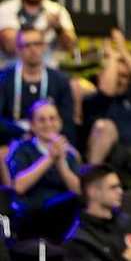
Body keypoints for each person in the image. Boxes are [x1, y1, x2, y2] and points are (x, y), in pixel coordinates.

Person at [82, 29, 131, 188]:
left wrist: (123, 51)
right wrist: (112, 58)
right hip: (110, 151)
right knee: (105, 127)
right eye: (116, 75)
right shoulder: (94, 99)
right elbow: (106, 91)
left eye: (124, 76)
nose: (120, 81)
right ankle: (89, 183)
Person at [0, 27, 78, 186]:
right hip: (13, 139)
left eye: (37, 44)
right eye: (27, 45)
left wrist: (50, 137)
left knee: (73, 155)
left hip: (51, 137)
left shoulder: (59, 80)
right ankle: (11, 202)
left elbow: (67, 120)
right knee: (3, 155)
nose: (33, 49)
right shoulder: (4, 78)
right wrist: (26, 131)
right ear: (18, 49)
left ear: (44, 47)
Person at [6, 99, 82, 240]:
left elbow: (78, 190)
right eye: (41, 120)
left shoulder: (70, 154)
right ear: (32, 125)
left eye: (52, 119)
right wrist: (49, 159)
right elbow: (19, 186)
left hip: (63, 212)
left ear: (60, 123)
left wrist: (61, 163)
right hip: (32, 212)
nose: (48, 124)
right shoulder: (22, 149)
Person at [0, 0, 77, 66]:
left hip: (49, 75)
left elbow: (71, 47)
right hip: (11, 75)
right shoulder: (6, 9)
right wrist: (46, 30)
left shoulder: (56, 10)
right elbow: (10, 45)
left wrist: (59, 29)